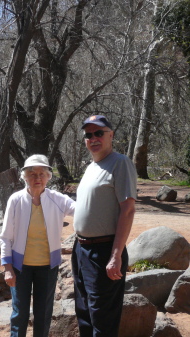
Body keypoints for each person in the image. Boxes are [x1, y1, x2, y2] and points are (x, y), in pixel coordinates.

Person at [72, 115, 137, 337]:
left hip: (104, 251)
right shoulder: (92, 166)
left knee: (102, 317)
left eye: (99, 133)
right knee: (84, 312)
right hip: (81, 249)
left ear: (111, 135)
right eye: (89, 135)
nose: (93, 138)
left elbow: (127, 210)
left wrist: (116, 255)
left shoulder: (120, 163)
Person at [0, 154, 75, 337]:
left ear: (48, 177)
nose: (37, 178)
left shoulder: (58, 199)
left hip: (48, 267)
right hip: (20, 267)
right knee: (20, 313)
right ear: (24, 176)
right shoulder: (16, 200)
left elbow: (81, 209)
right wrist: (7, 268)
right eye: (32, 174)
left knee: (43, 314)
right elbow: (5, 237)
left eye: (42, 174)